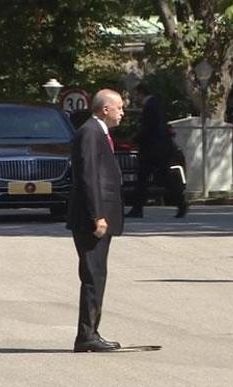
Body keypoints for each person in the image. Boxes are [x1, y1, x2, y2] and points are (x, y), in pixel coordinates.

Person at [67, 89, 126, 352]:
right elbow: (88, 176)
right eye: (120, 108)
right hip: (92, 219)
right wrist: (97, 215)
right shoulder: (90, 133)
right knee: (93, 275)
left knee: (97, 274)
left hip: (99, 215)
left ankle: (91, 331)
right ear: (105, 109)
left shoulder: (98, 132)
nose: (122, 113)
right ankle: (87, 334)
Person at [125, 83, 188, 218]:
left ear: (141, 93)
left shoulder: (150, 106)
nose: (136, 98)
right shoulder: (156, 104)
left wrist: (134, 139)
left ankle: (180, 203)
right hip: (158, 149)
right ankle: (138, 208)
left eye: (136, 94)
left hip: (153, 150)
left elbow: (149, 128)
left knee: (155, 178)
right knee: (150, 179)